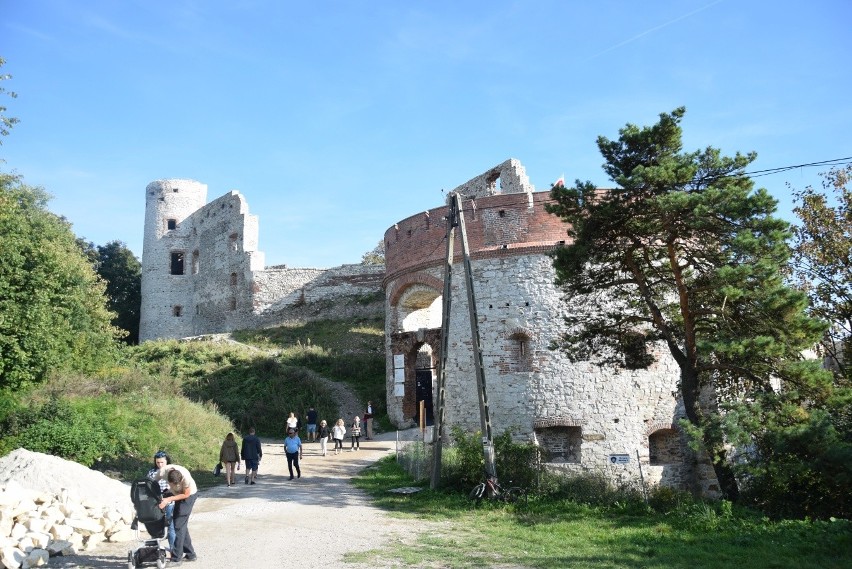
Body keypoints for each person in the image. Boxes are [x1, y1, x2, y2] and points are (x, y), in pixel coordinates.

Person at [156, 463, 198, 564]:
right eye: (174, 484)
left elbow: (186, 494)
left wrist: (168, 499)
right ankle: (190, 554)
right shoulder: (162, 472)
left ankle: (176, 558)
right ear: (168, 481)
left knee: (179, 525)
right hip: (175, 493)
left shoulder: (186, 477)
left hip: (189, 495)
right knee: (180, 525)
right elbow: (153, 482)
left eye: (178, 484)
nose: (177, 486)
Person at [146, 451, 175, 554]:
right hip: (156, 503)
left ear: (167, 461)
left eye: (162, 462)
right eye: (158, 462)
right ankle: (155, 551)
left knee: (171, 527)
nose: (160, 465)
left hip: (169, 502)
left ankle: (173, 551)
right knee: (155, 527)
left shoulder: (172, 471)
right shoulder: (152, 472)